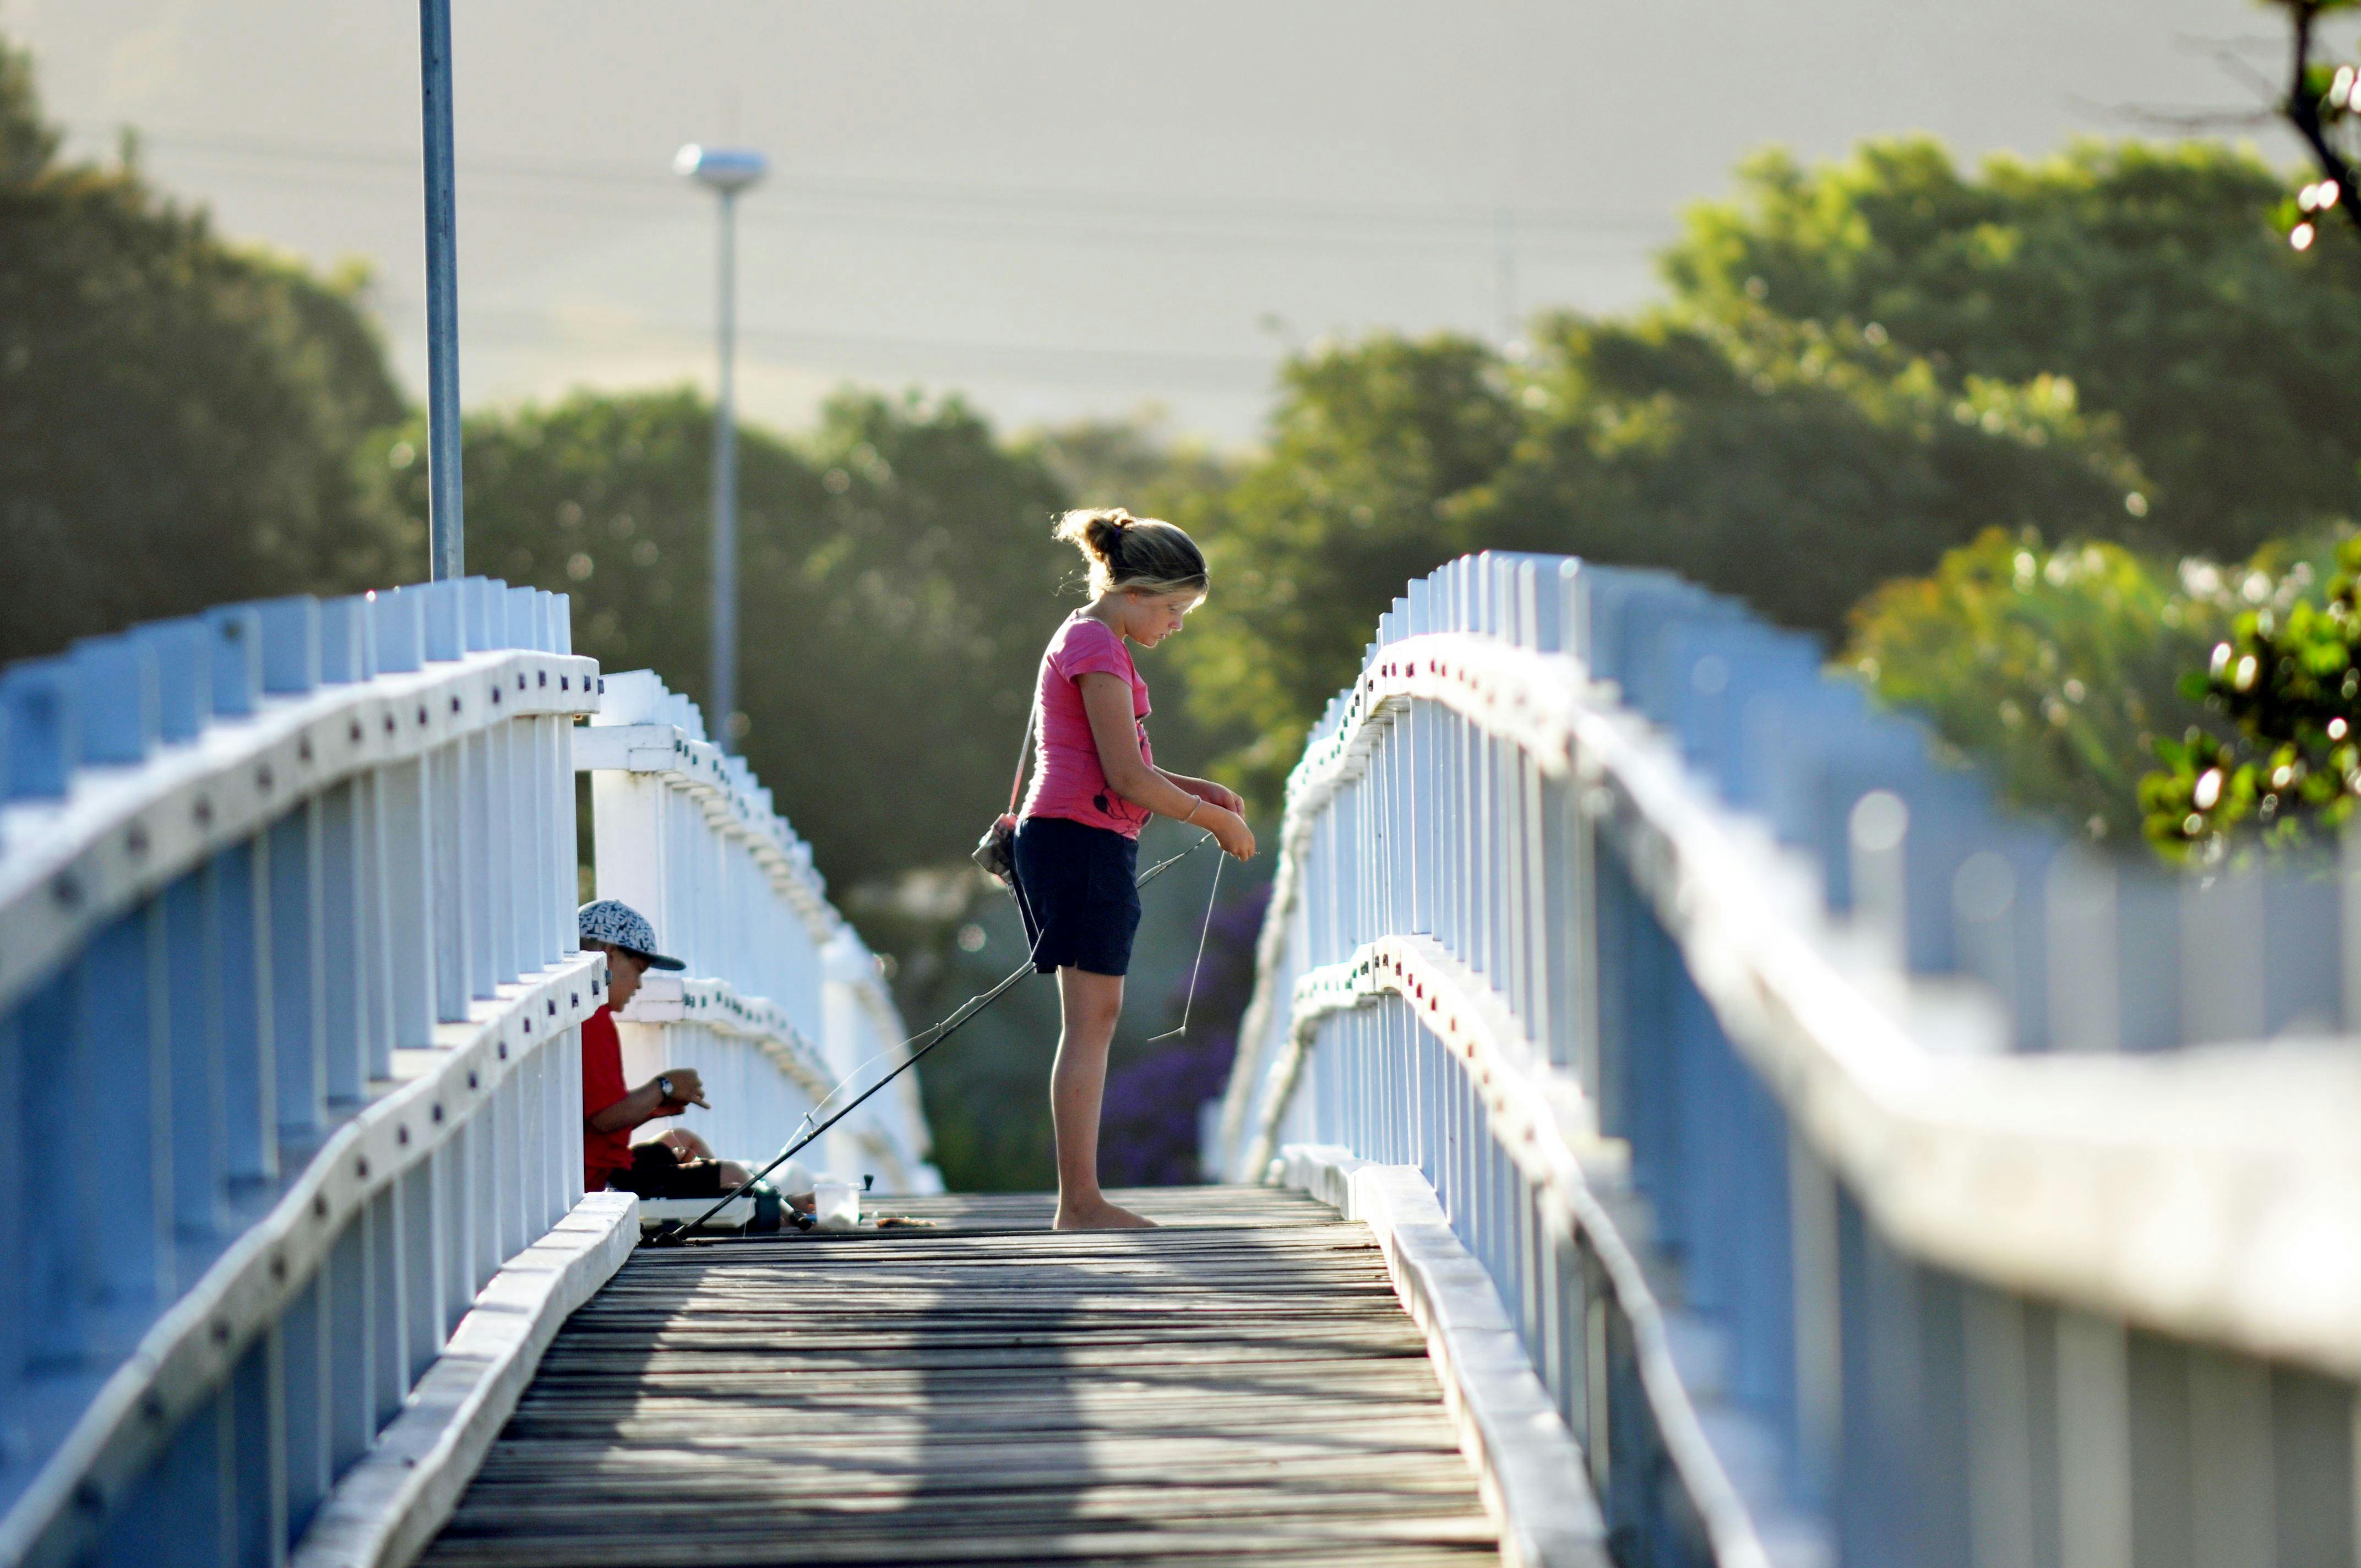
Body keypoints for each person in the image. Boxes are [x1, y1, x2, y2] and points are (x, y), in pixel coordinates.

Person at [1011, 508, 1255, 1230]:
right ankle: (1080, 1204)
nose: (1176, 626)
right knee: (1090, 1021)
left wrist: (1202, 792)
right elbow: (1126, 777)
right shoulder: (1095, 644)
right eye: (1174, 610)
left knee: (1094, 1018)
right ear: (1137, 591)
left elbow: (1124, 766)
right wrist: (1215, 821)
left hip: (1081, 839)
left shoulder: (1095, 639)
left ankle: (1081, 1201)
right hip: (1077, 841)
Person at [576, 899, 728, 1197]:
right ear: (609, 955)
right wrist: (663, 1087)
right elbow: (606, 1118)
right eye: (639, 970)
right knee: (730, 1175)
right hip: (598, 1183)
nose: (639, 985)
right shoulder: (592, 1019)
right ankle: (783, 1212)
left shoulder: (586, 1014)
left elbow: (595, 1122)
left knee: (683, 1141)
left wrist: (650, 1107)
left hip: (596, 1171)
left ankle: (780, 1209)